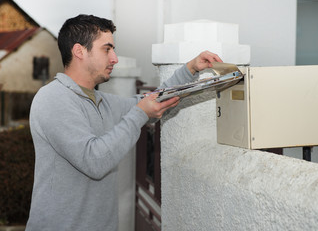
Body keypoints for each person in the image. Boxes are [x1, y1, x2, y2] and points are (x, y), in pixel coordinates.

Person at [25, 14, 222, 231]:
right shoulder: (52, 98)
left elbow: (153, 100)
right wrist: (139, 113)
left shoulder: (102, 101)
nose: (115, 58)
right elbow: (94, 161)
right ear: (79, 51)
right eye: (106, 49)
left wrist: (190, 69)